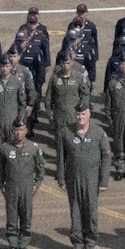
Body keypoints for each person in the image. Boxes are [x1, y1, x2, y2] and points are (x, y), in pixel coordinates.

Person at [63, 104, 110, 249]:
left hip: (92, 179)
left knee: (91, 211)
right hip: (73, 178)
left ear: (89, 115)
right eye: (78, 114)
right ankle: (77, 244)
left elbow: (106, 156)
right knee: (75, 211)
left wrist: (103, 181)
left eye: (83, 114)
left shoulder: (98, 132)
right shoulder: (66, 132)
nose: (80, 117)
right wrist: (61, 178)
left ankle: (91, 245)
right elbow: (61, 158)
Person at [0, 117, 43, 249]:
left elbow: (41, 169)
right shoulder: (5, 148)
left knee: (25, 217)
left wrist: (36, 185)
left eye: (21, 130)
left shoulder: (34, 148)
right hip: (11, 188)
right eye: (16, 130)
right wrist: (2, 187)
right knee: (11, 217)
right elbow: (0, 172)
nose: (18, 133)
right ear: (12, 131)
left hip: (27, 188)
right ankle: (12, 244)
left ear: (26, 131)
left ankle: (23, 245)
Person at [46, 51, 91, 179]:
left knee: (74, 146)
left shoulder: (78, 77)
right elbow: (49, 98)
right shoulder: (55, 78)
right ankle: (61, 174)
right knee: (60, 147)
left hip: (74, 118)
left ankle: (74, 172)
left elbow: (85, 93)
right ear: (60, 64)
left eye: (68, 63)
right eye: (64, 63)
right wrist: (50, 115)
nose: (66, 65)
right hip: (59, 118)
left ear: (71, 63)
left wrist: (83, 111)